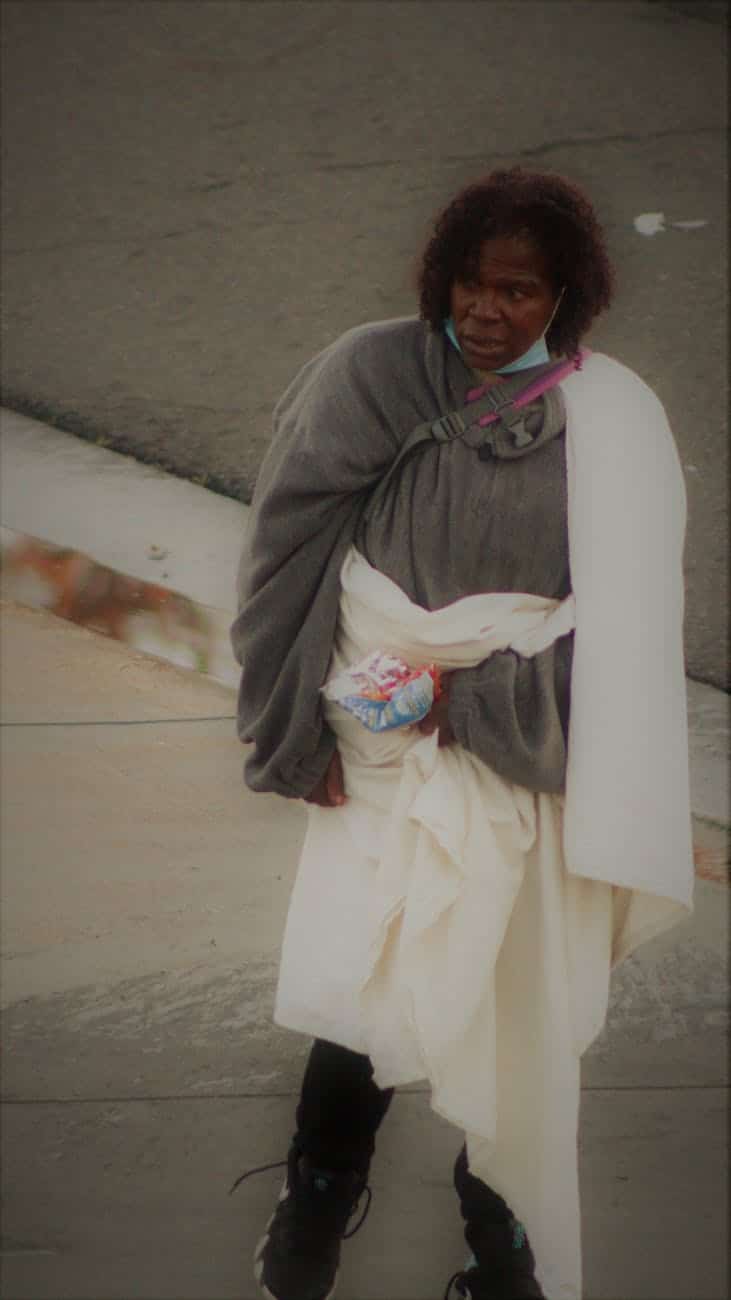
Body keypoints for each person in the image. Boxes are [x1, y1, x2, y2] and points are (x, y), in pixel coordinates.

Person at [230, 168, 694, 1300]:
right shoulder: (370, 372)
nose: (485, 313)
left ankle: (504, 1253)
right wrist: (293, 728)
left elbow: (626, 628)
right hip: (375, 735)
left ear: (565, 299)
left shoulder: (611, 418)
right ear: (438, 280)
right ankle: (316, 1204)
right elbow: (285, 555)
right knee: (367, 979)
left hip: (524, 745)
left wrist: (479, 706)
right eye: (467, 287)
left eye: (518, 293)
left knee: (508, 1000)